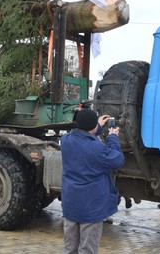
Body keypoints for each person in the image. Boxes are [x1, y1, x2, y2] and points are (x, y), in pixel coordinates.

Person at [61, 108, 124, 254]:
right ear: (92, 126)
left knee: (70, 249)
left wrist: (97, 127)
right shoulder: (97, 148)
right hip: (91, 207)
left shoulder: (65, 141)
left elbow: (82, 138)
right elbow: (117, 160)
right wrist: (113, 137)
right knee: (87, 249)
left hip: (71, 204)